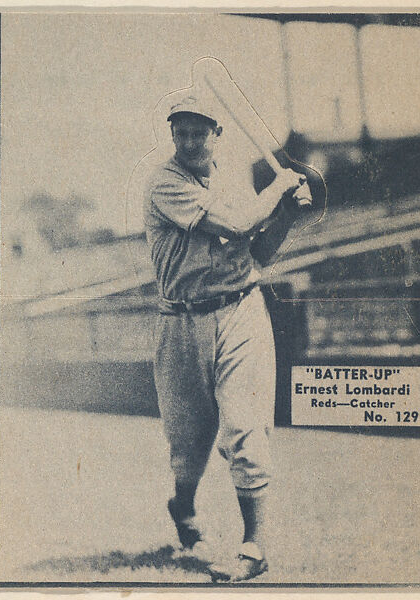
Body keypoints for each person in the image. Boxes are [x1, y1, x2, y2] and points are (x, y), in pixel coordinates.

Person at [143, 94, 307, 582]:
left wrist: (287, 215)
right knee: (188, 444)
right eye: (182, 132)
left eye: (200, 132)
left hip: (241, 313)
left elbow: (260, 253)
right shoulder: (164, 182)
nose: (190, 141)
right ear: (173, 135)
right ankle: (184, 508)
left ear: (218, 135)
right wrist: (278, 189)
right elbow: (236, 222)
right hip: (181, 322)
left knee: (245, 430)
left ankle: (254, 548)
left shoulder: (233, 181)